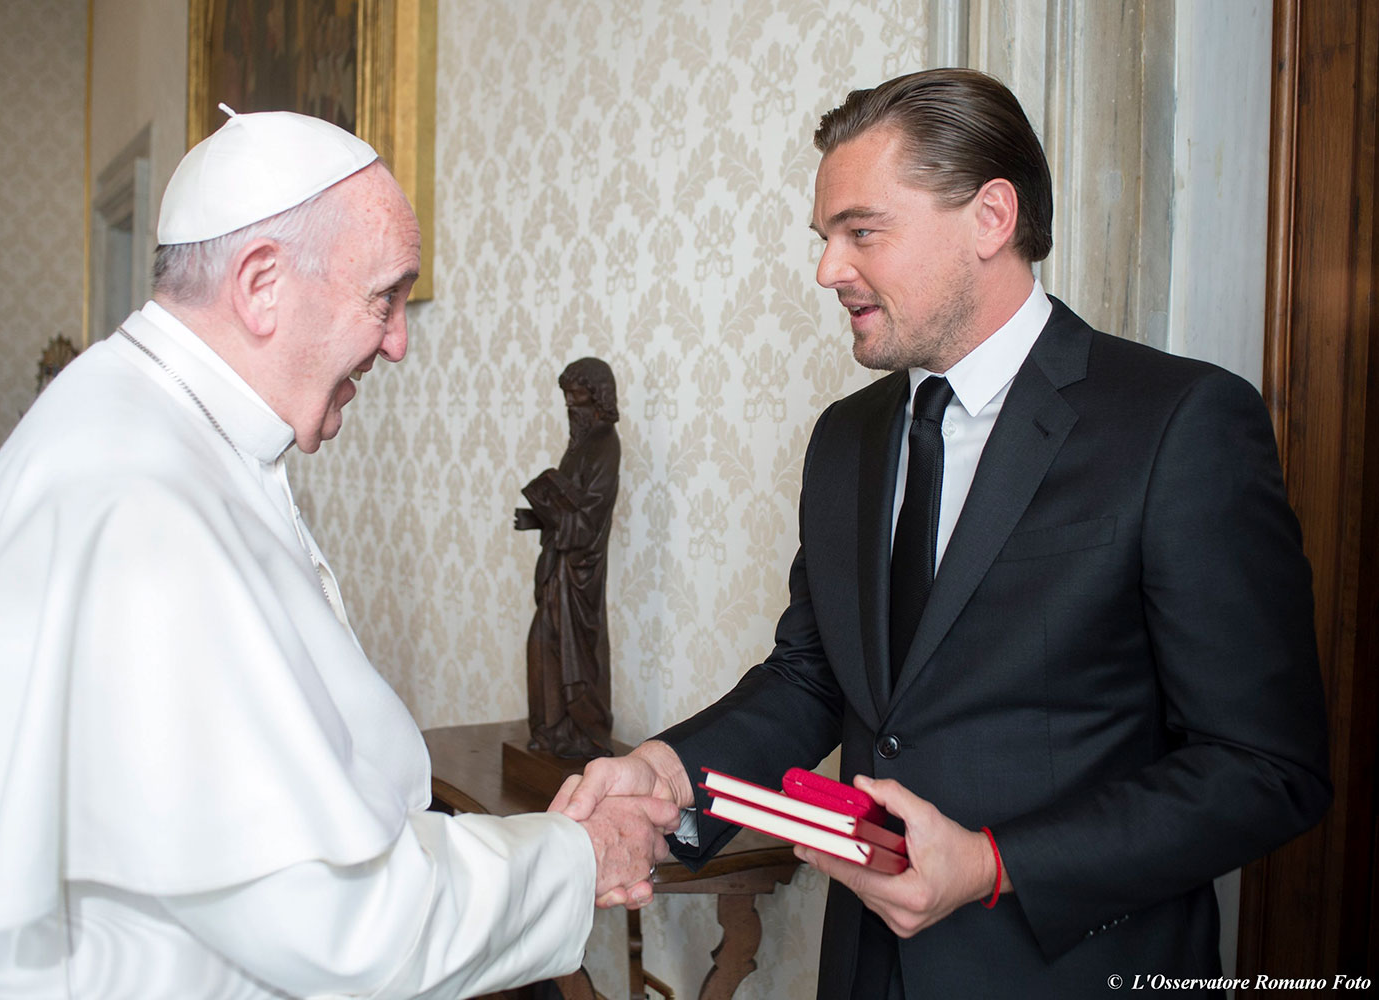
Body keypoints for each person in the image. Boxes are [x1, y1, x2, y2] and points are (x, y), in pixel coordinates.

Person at [559, 69, 1331, 998]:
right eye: (826, 237)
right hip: (863, 972)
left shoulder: (1179, 424)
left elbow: (1264, 769)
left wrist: (992, 863)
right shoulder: (845, 439)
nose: (827, 270)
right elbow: (812, 677)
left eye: (862, 231)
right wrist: (668, 769)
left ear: (991, 218)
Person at [0, 108, 675, 999]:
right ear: (261, 285)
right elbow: (337, 922)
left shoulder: (145, 427)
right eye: (386, 296)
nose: (399, 342)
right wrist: (575, 857)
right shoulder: (144, 504)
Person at [514, 358, 621, 759]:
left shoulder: (605, 444)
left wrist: (555, 513)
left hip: (582, 574)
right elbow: (567, 507)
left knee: (579, 656)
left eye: (576, 400)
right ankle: (550, 731)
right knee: (542, 645)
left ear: (598, 399)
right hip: (558, 569)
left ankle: (587, 735)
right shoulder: (578, 445)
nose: (570, 409)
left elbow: (589, 518)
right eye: (566, 400)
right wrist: (536, 516)